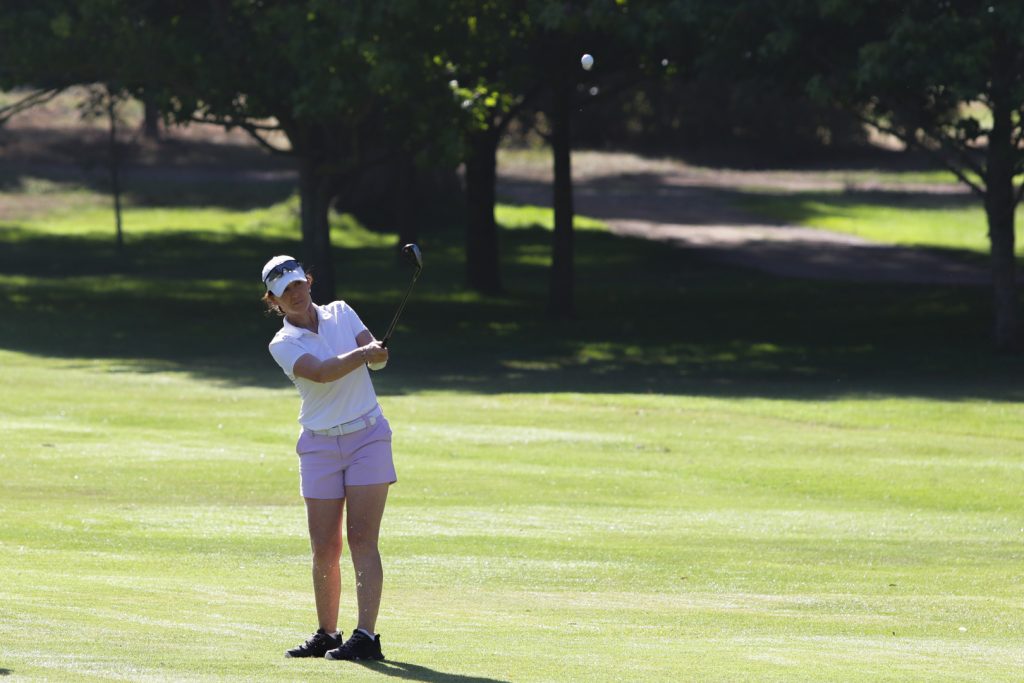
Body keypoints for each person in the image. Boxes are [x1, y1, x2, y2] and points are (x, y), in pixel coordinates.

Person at [261, 254, 394, 662]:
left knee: (362, 539)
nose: (295, 294)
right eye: (284, 291)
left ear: (309, 281)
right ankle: (327, 634)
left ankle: (366, 636)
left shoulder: (342, 312)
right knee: (324, 547)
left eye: (298, 284)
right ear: (273, 301)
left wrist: (378, 355)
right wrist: (365, 354)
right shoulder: (283, 343)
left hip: (367, 437)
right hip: (319, 446)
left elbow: (376, 357)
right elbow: (321, 372)